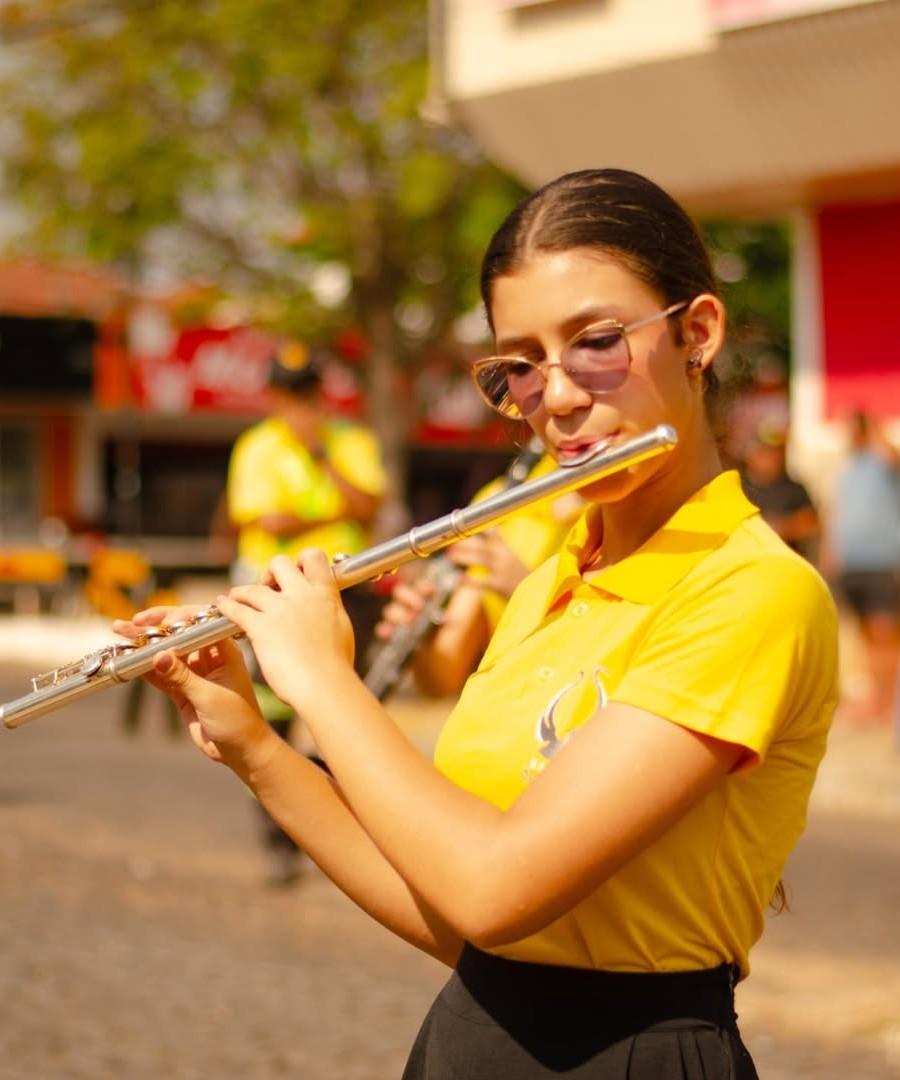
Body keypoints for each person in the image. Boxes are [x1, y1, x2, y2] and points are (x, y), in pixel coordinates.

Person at [119, 169, 838, 1078]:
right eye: (522, 364)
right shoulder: (549, 580)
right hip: (474, 1039)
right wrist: (256, 743)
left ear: (696, 333)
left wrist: (324, 680)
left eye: (598, 342)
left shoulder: (752, 590)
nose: (560, 397)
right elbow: (456, 911)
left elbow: (495, 888)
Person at [225, 342, 386, 883]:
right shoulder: (256, 447)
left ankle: (344, 833)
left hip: (345, 594)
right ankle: (281, 838)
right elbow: (262, 521)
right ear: (271, 396)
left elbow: (367, 506)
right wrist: (329, 510)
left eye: (307, 393)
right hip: (273, 596)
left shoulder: (352, 441)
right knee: (272, 720)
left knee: (346, 715)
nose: (299, 405)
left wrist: (320, 459)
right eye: (288, 394)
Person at [376, 442, 583, 698]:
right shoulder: (499, 497)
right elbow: (440, 679)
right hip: (511, 710)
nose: (559, 402)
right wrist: (420, 637)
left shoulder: (635, 498)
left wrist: (529, 592)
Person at [821, 410, 900, 727]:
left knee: (886, 634)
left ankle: (890, 699)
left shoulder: (884, 462)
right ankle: (879, 702)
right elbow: (835, 514)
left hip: (883, 560)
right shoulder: (847, 469)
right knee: (866, 636)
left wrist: (874, 424)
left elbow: (894, 455)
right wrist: (830, 553)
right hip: (852, 564)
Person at [739, 421, 819, 562]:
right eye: (765, 452)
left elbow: (811, 522)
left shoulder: (794, 488)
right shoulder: (740, 489)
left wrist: (782, 528)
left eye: (776, 453)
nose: (772, 458)